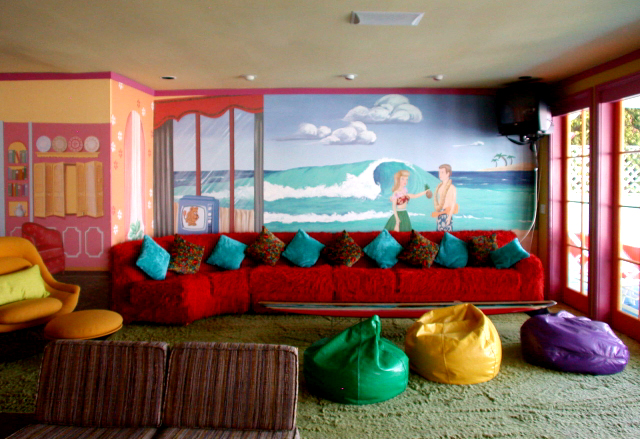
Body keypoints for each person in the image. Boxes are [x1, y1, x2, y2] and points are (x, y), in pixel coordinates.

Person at [431, 164, 457, 231]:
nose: (440, 175)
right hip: (440, 214)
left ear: (448, 174)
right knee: (439, 233)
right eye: (439, 172)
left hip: (447, 214)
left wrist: (449, 216)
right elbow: (438, 202)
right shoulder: (439, 187)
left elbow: (453, 203)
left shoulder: (452, 188)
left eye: (442, 172)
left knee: (447, 233)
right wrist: (437, 215)